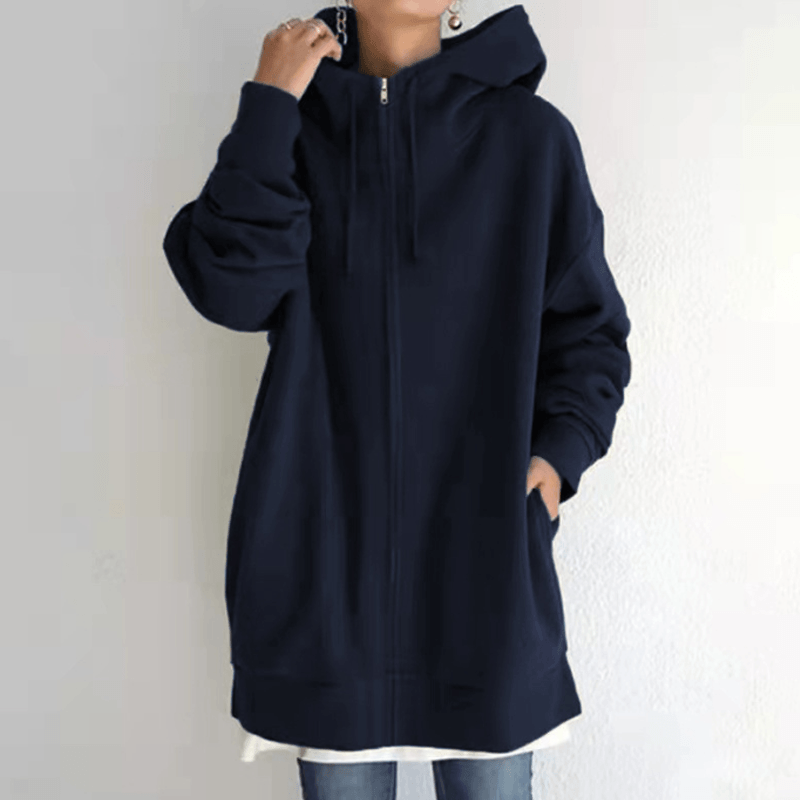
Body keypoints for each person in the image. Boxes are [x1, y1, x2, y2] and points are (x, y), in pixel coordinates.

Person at [162, 0, 632, 797]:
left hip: (484, 572)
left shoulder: (530, 139)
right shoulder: (292, 134)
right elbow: (231, 291)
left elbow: (589, 334)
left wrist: (557, 459)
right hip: (323, 574)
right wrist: (270, 105)